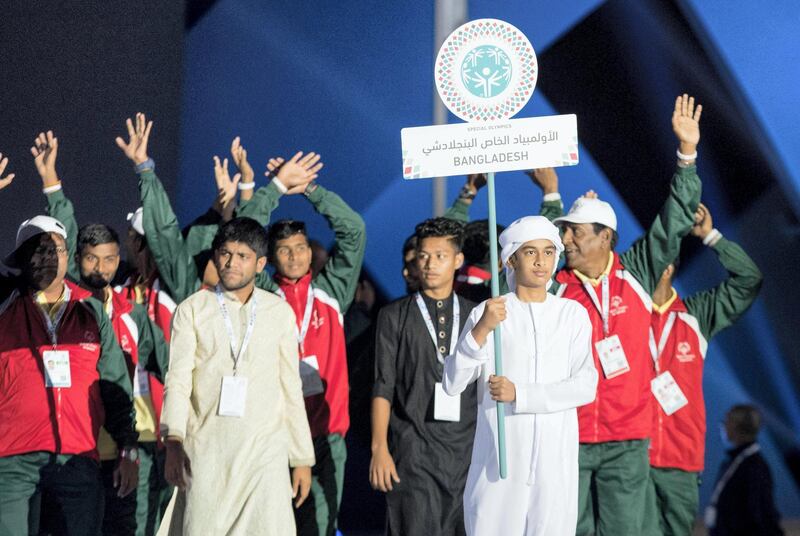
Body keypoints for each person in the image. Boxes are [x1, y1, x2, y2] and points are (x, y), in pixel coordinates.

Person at [538, 94, 703, 535]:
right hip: (567, 432)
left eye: (574, 232)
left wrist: (686, 155)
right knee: (567, 529)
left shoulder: (638, 271)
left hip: (627, 438)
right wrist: (551, 197)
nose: (566, 240)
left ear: (605, 237)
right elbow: (532, 252)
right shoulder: (557, 283)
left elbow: (674, 219)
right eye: (564, 231)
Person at [35, 132, 173, 535]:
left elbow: (168, 365)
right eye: (92, 259)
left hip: (126, 450)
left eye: (110, 259)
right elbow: (66, 225)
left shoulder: (132, 314)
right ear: (78, 260)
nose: (101, 267)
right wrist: (51, 181)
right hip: (71, 448)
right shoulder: (64, 307)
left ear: (119, 260)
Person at [159, 217, 315, 535]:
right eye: (226, 253)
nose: (231, 263)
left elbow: (291, 388)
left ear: (260, 264)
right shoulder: (192, 309)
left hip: (264, 455)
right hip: (206, 450)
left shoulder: (278, 312)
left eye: (242, 256)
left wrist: (301, 457)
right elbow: (177, 381)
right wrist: (173, 441)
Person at [444, 215, 597, 535]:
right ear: (511, 259)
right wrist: (482, 330)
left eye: (548, 252)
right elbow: (453, 382)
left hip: (554, 467)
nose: (541, 261)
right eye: (530, 252)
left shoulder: (571, 315)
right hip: (500, 466)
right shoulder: (490, 312)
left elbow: (585, 386)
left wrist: (521, 394)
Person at [237, 154, 365, 536]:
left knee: (321, 526)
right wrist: (275, 189)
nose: (294, 256)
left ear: (311, 251)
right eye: (284, 250)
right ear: (269, 257)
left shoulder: (331, 293)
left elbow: (354, 230)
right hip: (272, 436)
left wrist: (310, 189)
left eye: (301, 248)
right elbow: (244, 234)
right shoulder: (259, 292)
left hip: (326, 435)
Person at [0, 199, 138, 534]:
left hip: (77, 458)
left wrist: (129, 450)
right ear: (22, 259)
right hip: (12, 460)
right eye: (38, 250)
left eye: (56, 249)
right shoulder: (4, 306)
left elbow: (114, 385)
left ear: (67, 258)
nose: (48, 257)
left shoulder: (90, 312)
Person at [643, 203, 763, 536]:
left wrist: (711, 237)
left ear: (666, 269)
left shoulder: (696, 315)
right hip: (631, 459)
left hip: (681, 460)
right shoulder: (625, 315)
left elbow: (748, 281)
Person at [371, 217, 477, 536]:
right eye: (423, 256)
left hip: (466, 453)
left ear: (458, 260)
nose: (430, 264)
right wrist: (379, 448)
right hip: (412, 451)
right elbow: (383, 385)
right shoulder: (393, 315)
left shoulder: (477, 314)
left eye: (441, 256)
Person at [706, 405, 783, 536]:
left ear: (736, 426)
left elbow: (762, 514)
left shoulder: (753, 467)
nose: (723, 426)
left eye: (726, 421)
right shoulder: (735, 461)